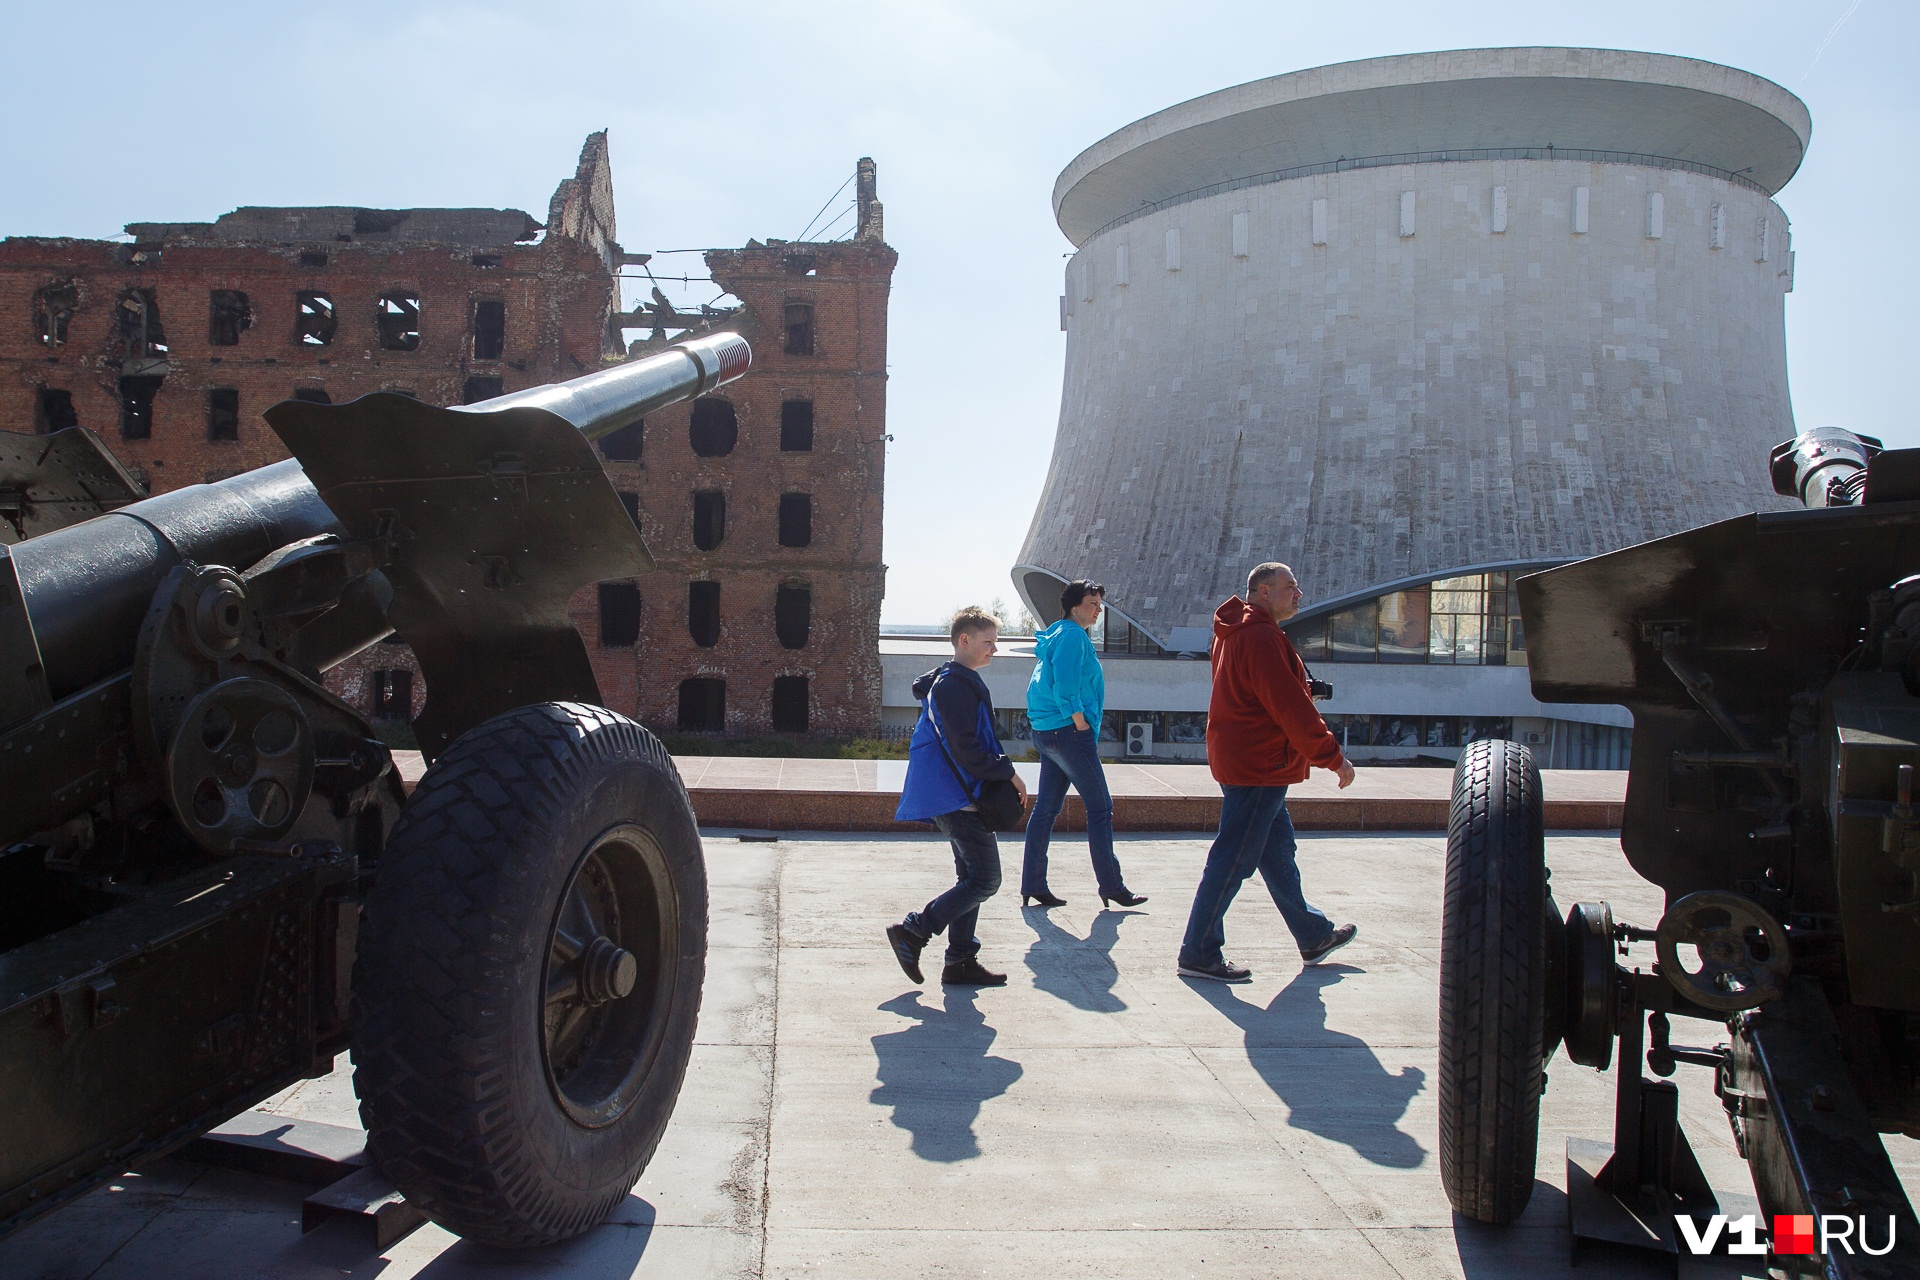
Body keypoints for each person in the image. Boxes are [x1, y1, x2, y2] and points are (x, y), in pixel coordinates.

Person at [1178, 562, 1358, 984]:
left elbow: (1255, 691)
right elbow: (1289, 709)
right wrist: (1332, 756)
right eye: (1290, 586)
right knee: (1233, 859)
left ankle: (1313, 936)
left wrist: (1297, 684)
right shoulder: (1260, 636)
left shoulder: (1237, 631)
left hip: (1245, 758)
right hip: (1259, 763)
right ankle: (1198, 952)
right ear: (1262, 591)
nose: (1299, 594)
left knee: (1277, 856)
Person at [886, 607, 1029, 987]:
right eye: (988, 642)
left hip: (957, 794)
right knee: (985, 879)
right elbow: (966, 748)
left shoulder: (956, 682)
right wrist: (1008, 772)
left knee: (970, 876)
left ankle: (960, 962)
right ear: (964, 640)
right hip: (957, 796)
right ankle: (915, 929)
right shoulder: (952, 686)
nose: (994, 650)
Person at [1019, 579, 1145, 909]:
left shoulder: (1058, 632)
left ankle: (1032, 884)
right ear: (1075, 605)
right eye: (1093, 603)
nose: (1098, 610)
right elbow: (1065, 685)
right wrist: (1078, 720)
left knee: (1046, 809)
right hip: (1068, 733)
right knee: (1100, 807)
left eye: (1100, 604)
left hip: (1048, 733)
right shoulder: (1073, 636)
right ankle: (1112, 886)